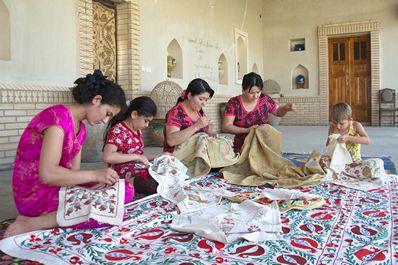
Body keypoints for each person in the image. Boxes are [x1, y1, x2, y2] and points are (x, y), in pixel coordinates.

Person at [5, 69, 133, 237]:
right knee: (110, 212)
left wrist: (96, 185)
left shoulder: (81, 129)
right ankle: (33, 222)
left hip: (59, 188)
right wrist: (94, 175)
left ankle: (62, 215)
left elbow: (72, 175)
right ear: (96, 100)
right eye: (108, 113)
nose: (105, 121)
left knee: (125, 190)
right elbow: (48, 174)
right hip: (34, 194)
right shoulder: (57, 118)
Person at [102, 96, 163, 195]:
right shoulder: (118, 130)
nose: (147, 125)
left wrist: (159, 156)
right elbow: (108, 157)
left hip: (136, 168)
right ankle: (123, 184)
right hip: (120, 173)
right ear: (134, 114)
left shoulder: (137, 131)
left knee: (164, 174)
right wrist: (137, 156)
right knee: (154, 185)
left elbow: (139, 156)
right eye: (146, 121)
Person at [223, 72, 295, 153]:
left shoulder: (264, 99)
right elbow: (226, 126)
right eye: (252, 93)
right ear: (243, 89)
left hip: (263, 143)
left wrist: (285, 109)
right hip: (242, 146)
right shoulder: (234, 103)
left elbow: (278, 112)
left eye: (258, 92)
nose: (256, 96)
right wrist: (247, 130)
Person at [163, 78, 215, 153]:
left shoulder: (199, 111)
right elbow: (171, 141)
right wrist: (196, 126)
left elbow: (206, 129)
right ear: (190, 95)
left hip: (196, 154)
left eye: (206, 100)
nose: (204, 103)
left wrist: (210, 131)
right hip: (177, 158)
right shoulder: (176, 113)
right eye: (201, 99)